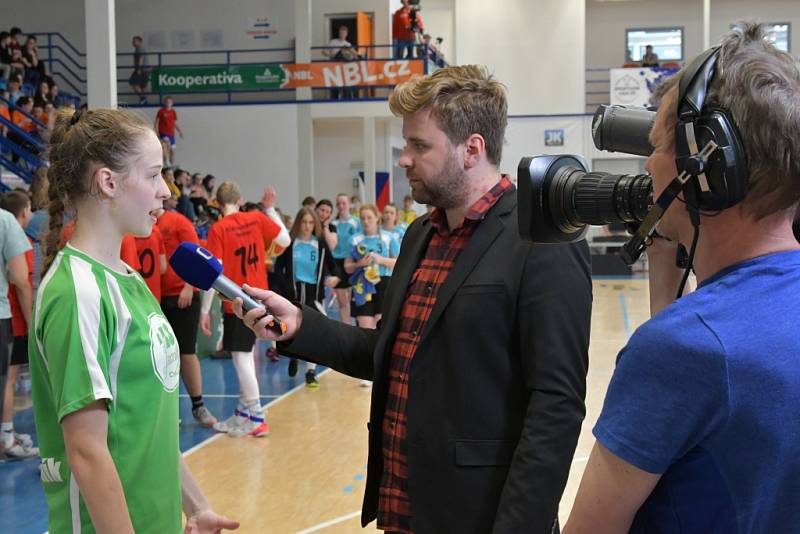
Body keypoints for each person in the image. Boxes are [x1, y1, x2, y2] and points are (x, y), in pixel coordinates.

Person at [235, 65, 592, 533]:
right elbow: (390, 351)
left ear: (472, 150)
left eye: (419, 146)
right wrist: (303, 326)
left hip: (481, 515)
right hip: (406, 504)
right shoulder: (421, 233)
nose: (404, 158)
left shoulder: (542, 239)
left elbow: (557, 404)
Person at [564, 23, 800, 533]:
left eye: (658, 145)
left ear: (707, 168)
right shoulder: (695, 344)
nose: (647, 164)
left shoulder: (684, 352)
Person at [30, 107, 238, 533]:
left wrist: (195, 506)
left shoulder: (127, 278)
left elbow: (148, 422)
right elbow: (87, 452)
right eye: (154, 175)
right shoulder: (78, 293)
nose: (167, 191)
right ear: (108, 182)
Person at [199, 181, 290, 437]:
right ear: (239, 200)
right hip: (260, 297)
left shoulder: (219, 228)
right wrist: (270, 210)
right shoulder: (256, 218)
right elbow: (285, 239)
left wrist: (205, 311)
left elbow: (212, 274)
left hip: (237, 303)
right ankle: (243, 413)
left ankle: (257, 416)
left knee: (241, 358)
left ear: (217, 204)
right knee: (246, 356)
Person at [156, 205, 218, 428]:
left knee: (186, 352)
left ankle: (198, 405)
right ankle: (166, 412)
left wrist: (189, 287)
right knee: (160, 357)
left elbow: (196, 255)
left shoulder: (178, 222)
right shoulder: (143, 225)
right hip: (157, 299)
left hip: (183, 298)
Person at [272, 207, 339, 387]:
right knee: (291, 330)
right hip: (292, 294)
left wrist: (335, 278)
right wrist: (279, 289)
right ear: (298, 223)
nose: (307, 226)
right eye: (304, 222)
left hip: (313, 294)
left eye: (311, 222)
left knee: (316, 331)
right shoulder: (291, 243)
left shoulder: (320, 244)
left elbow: (333, 266)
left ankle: (311, 371)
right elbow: (278, 269)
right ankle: (294, 356)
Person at [0, 193, 35, 459]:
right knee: (6, 381)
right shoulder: (6, 222)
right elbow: (21, 281)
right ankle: (6, 438)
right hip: (3, 315)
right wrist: (33, 320)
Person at [329, 193, 362, 326]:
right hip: (337, 262)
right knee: (343, 301)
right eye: (338, 203)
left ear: (349, 204)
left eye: (344, 203)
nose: (341, 206)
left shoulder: (357, 222)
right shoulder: (333, 224)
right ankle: (346, 328)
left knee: (355, 298)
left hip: (353, 262)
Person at [156, 96, 183, 166]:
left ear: (172, 103)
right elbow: (156, 122)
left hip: (171, 133)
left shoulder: (173, 112)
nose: (168, 103)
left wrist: (180, 131)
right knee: (166, 144)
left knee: (173, 151)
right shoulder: (161, 111)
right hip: (163, 132)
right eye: (167, 102)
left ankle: (171, 165)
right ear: (165, 102)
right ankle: (167, 162)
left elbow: (174, 123)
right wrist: (157, 132)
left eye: (170, 102)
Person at [129, 35, 149, 104]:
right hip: (144, 69)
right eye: (133, 41)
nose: (133, 43)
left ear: (139, 42)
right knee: (143, 85)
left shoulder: (139, 48)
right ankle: (144, 100)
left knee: (133, 81)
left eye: (134, 41)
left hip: (142, 69)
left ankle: (143, 98)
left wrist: (139, 69)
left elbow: (141, 58)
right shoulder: (139, 48)